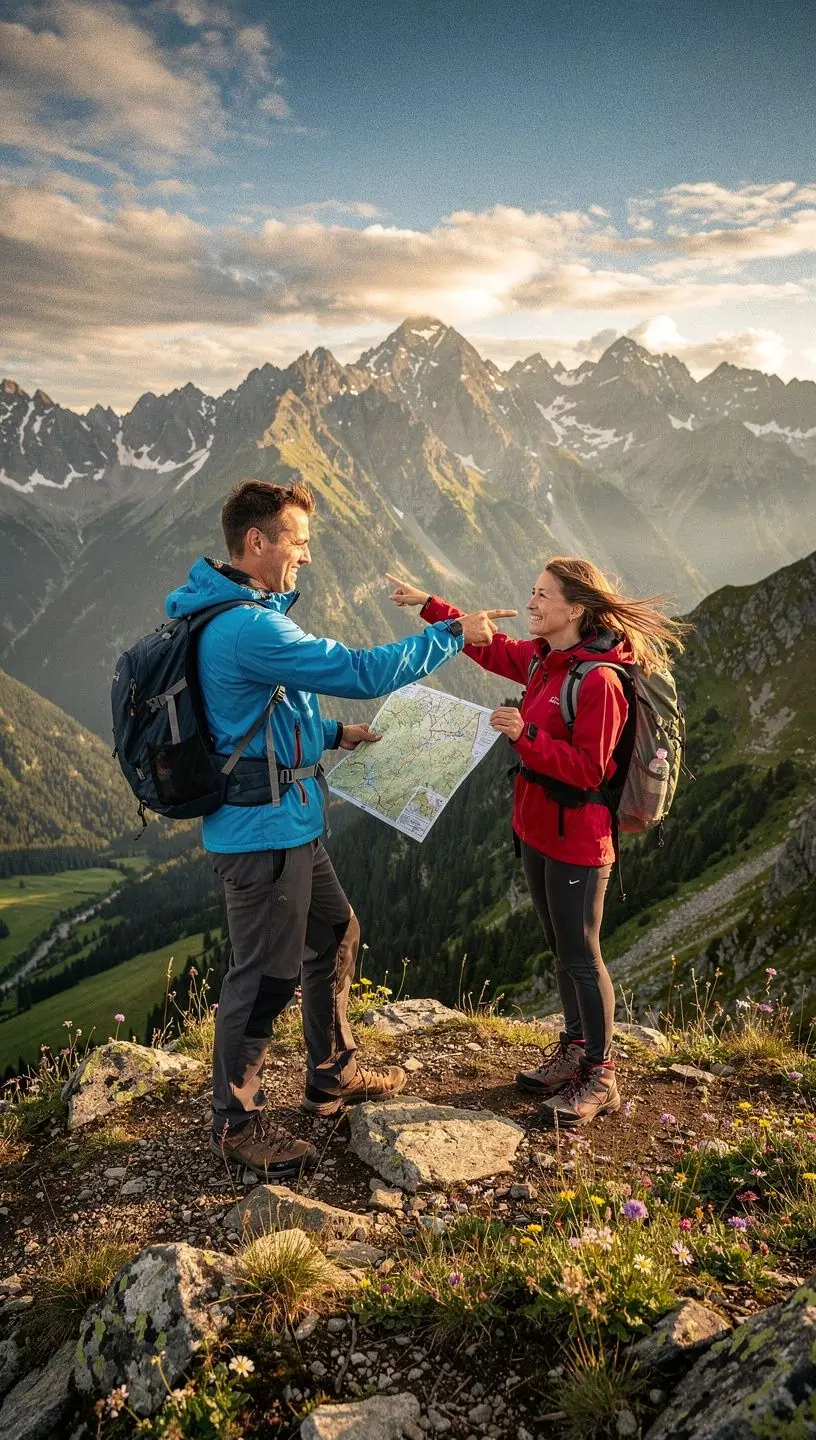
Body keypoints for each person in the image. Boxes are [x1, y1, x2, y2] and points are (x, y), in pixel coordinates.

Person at [165, 479, 516, 1178]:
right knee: (263, 977)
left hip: (286, 819)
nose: (306, 554)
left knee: (334, 932)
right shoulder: (248, 627)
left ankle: (331, 1073)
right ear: (257, 542)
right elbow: (358, 671)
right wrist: (452, 634)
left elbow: (259, 712)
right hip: (263, 833)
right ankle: (236, 1124)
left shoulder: (237, 615)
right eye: (297, 541)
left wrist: (331, 734)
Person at [387, 560, 686, 1129]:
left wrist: (524, 735)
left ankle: (601, 1075)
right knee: (560, 946)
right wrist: (430, 606)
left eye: (542, 595)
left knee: (581, 953)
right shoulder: (546, 659)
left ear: (575, 609)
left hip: (578, 841)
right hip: (536, 831)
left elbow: (589, 770)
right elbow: (492, 650)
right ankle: (574, 1049)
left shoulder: (598, 682)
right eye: (532, 591)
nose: (530, 602)